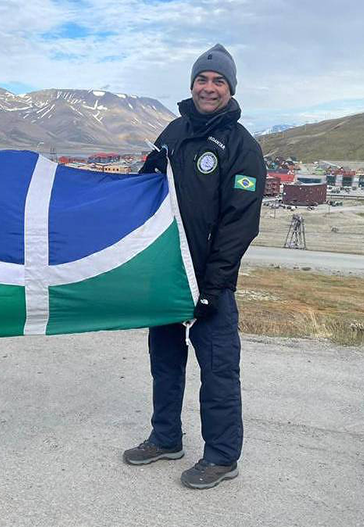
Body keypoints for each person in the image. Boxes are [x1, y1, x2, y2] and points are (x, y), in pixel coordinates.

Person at [124, 44, 265, 489]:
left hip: (210, 284)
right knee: (165, 361)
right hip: (166, 276)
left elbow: (239, 223)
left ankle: (222, 456)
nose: (208, 88)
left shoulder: (243, 147)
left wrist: (213, 286)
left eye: (218, 81)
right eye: (202, 80)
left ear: (230, 88)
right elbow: (147, 191)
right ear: (192, 85)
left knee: (218, 368)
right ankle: (165, 437)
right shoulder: (173, 131)